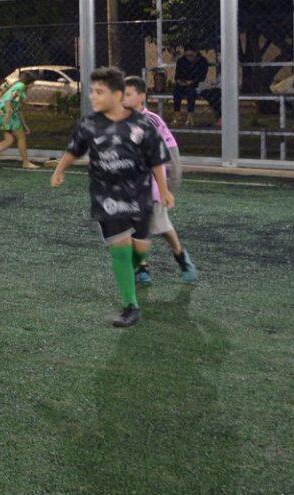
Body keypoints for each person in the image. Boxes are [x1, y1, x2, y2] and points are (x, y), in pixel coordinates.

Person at [50, 67, 174, 328]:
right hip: (106, 197)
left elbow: (157, 160)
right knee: (120, 247)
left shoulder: (142, 124)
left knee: (139, 250)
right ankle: (131, 305)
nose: (93, 97)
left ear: (117, 95)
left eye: (99, 92)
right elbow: (74, 150)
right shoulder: (89, 124)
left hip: (138, 196)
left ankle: (139, 268)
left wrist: (163, 190)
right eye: (92, 92)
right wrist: (60, 169)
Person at [121, 76, 199, 284]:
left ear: (141, 97)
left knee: (162, 227)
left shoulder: (152, 121)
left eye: (127, 94)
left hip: (153, 184)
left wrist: (167, 187)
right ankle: (142, 268)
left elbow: (167, 155)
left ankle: (181, 258)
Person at [0, 70, 36, 169]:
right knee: (21, 137)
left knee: (9, 140)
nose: (33, 85)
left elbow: (18, 108)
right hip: (8, 114)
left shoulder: (19, 86)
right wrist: (7, 116)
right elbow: (8, 99)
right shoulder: (20, 87)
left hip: (7, 114)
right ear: (29, 82)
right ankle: (25, 162)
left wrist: (24, 125)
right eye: (33, 83)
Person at [173, 46, 210, 127]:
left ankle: (190, 116)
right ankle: (177, 114)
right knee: (176, 91)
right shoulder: (181, 61)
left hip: (197, 84)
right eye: (187, 56)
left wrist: (192, 82)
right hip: (183, 83)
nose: (189, 58)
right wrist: (181, 82)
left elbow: (201, 77)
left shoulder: (202, 61)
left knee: (191, 92)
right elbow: (177, 76)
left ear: (196, 53)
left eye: (191, 56)